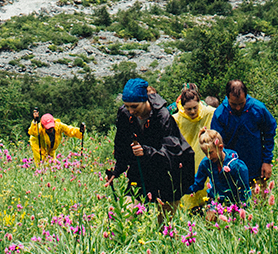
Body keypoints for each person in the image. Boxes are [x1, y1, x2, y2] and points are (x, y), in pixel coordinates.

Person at [104, 77, 191, 206]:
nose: (131, 111)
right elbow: (122, 146)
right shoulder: (125, 115)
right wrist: (116, 171)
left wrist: (146, 151)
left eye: (134, 106)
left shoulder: (163, 116)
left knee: (165, 224)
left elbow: (172, 153)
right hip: (138, 173)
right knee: (127, 215)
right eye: (127, 106)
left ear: (144, 100)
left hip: (165, 175)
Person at [210, 79, 277, 188]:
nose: (238, 107)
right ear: (227, 97)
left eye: (241, 103)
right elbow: (217, 145)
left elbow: (269, 132)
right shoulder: (220, 114)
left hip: (257, 169)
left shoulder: (258, 109)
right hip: (231, 172)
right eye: (233, 104)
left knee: (258, 203)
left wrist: (267, 161)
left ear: (246, 96)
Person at [171, 86, 215, 212]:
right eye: (188, 109)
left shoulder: (208, 113)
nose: (192, 111)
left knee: (205, 186)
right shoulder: (177, 119)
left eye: (195, 107)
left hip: (204, 155)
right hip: (187, 158)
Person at [186, 128, 250, 213]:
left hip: (234, 203)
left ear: (220, 147)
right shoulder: (206, 163)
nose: (208, 157)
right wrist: (181, 189)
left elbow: (244, 190)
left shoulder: (236, 166)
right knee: (210, 218)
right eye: (205, 153)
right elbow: (197, 183)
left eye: (211, 152)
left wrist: (242, 209)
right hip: (215, 202)